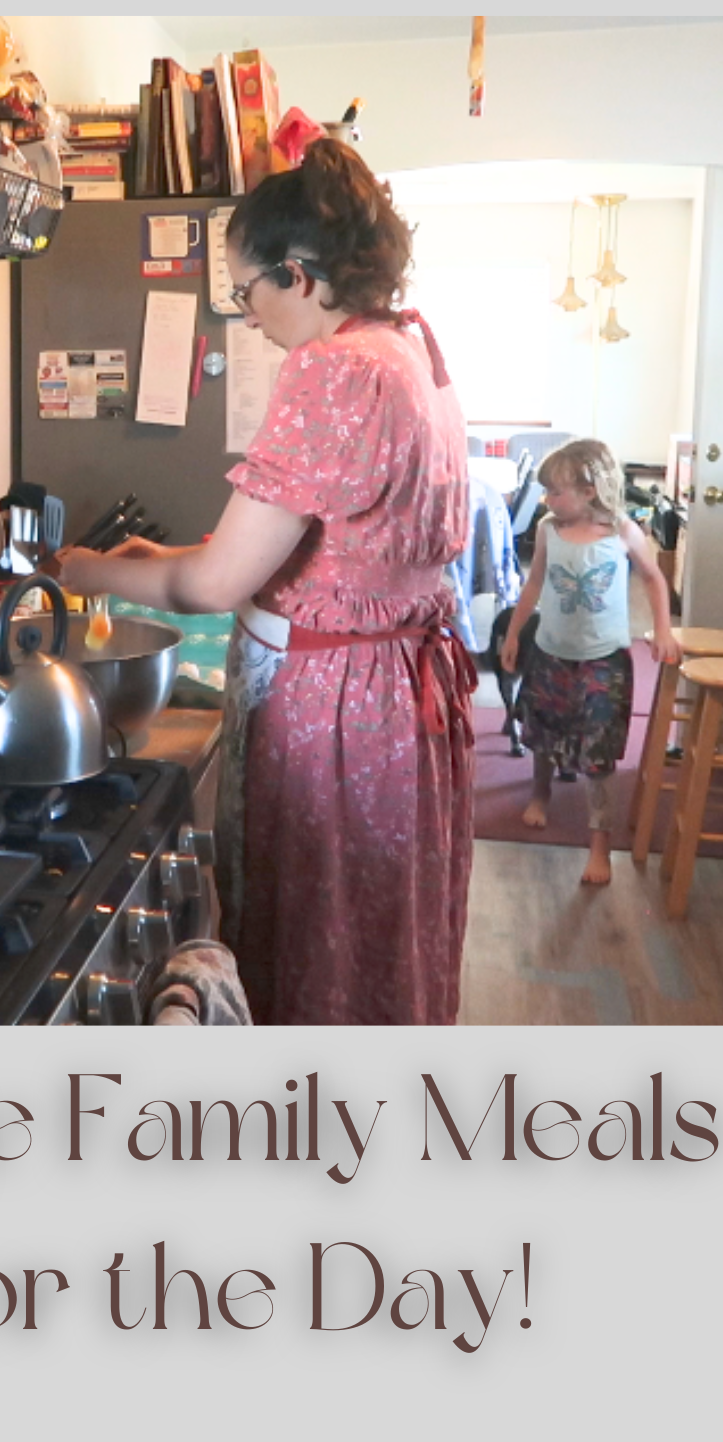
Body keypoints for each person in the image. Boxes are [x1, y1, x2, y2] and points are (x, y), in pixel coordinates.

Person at [50, 137, 476, 1025]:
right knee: (378, 934)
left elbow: (216, 585)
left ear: (300, 275)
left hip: (340, 715)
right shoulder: (411, 350)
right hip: (399, 696)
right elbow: (321, 549)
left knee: (322, 939)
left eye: (247, 292)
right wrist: (153, 561)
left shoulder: (333, 369)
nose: (247, 316)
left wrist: (82, 569)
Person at [499, 437, 679, 886]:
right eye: (545, 492)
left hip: (604, 660)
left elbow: (655, 579)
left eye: (555, 492)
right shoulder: (546, 528)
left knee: (599, 752)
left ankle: (599, 847)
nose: (547, 500)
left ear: (589, 490)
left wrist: (661, 629)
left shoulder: (622, 531)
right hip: (551, 650)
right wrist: (515, 633)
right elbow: (535, 581)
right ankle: (540, 792)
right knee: (541, 729)